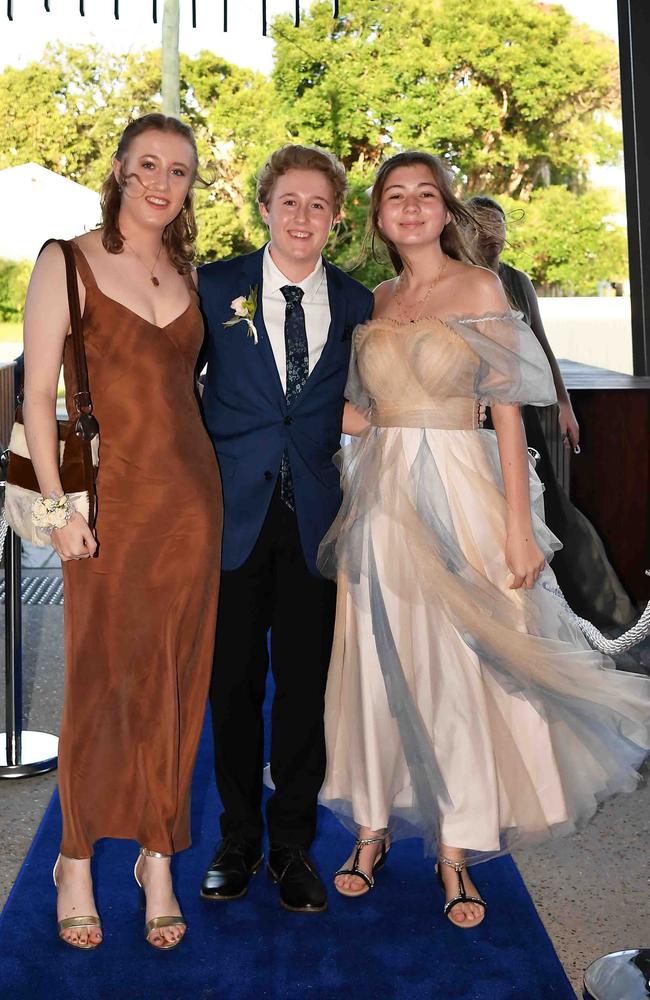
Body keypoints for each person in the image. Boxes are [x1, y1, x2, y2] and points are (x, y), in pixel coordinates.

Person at [317, 151, 650, 928]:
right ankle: (370, 827)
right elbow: (361, 408)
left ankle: (457, 847)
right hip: (380, 494)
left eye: (424, 194)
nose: (409, 207)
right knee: (375, 654)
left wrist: (514, 524)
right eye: (394, 196)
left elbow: (505, 410)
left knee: (461, 665)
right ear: (377, 216)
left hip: (465, 488)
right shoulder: (377, 297)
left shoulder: (479, 286)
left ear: (446, 209)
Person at [22, 113, 222, 950]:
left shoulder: (189, 269)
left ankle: (156, 855)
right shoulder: (64, 261)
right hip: (110, 511)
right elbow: (37, 399)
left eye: (178, 171)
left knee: (176, 687)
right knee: (102, 682)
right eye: (147, 164)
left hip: (193, 509)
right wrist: (59, 513)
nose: (161, 183)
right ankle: (74, 857)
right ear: (119, 167)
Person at [198, 145, 373, 913]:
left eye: (318, 205)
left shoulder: (360, 303)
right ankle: (237, 837)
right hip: (229, 518)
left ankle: (292, 843)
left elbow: (368, 397)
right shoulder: (213, 288)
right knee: (229, 685)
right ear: (264, 208)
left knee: (305, 688)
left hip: (318, 525)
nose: (303, 216)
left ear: (336, 219)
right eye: (289, 201)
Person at [466, 194, 636, 629]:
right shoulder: (455, 275)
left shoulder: (517, 281)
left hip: (518, 412)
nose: (493, 237)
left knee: (546, 505)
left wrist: (565, 404)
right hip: (466, 415)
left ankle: (567, 609)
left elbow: (541, 344)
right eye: (483, 228)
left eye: (499, 228)